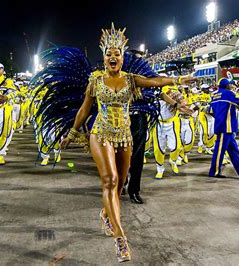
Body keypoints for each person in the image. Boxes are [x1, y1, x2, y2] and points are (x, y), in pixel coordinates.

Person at [60, 24, 195, 262]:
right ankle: (120, 238)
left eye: (117, 54)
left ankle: (106, 213)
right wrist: (71, 133)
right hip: (100, 133)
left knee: (120, 185)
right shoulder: (95, 81)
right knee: (110, 180)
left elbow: (156, 82)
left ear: (123, 58)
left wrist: (177, 79)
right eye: (109, 54)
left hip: (124, 135)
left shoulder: (132, 80)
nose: (113, 57)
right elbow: (84, 109)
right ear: (103, 58)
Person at [209, 78, 239, 178]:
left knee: (234, 150)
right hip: (226, 126)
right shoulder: (228, 93)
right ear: (226, 85)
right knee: (219, 150)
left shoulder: (214, 95)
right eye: (230, 84)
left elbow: (211, 111)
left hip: (222, 125)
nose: (231, 86)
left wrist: (219, 117)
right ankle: (214, 172)